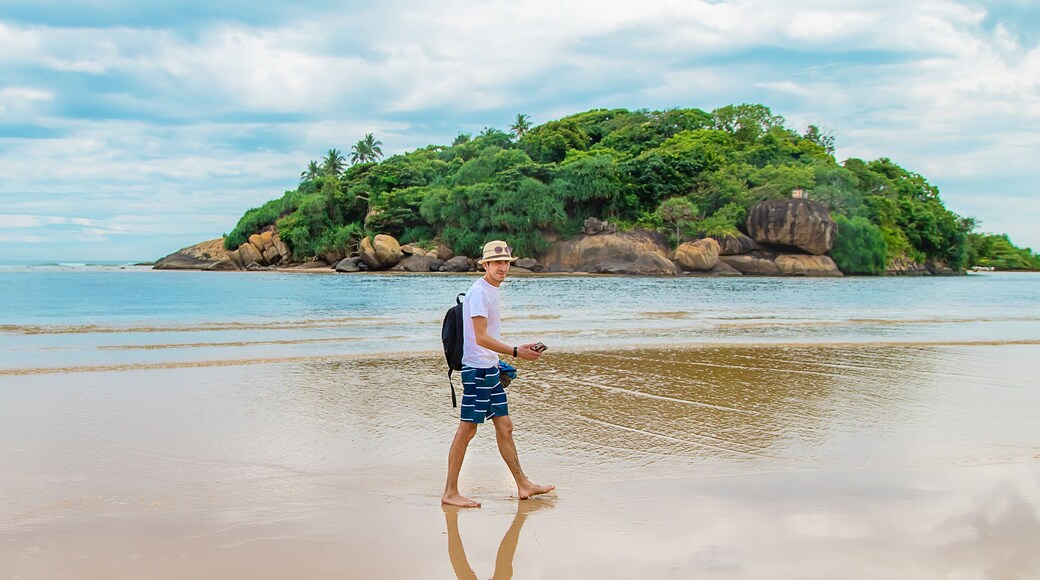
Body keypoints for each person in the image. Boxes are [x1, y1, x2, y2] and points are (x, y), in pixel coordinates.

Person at [441, 240, 555, 508]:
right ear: (486, 265)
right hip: (477, 372)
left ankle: (523, 485)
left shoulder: (492, 290)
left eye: (506, 262)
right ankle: (450, 492)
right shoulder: (479, 293)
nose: (503, 267)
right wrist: (516, 351)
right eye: (497, 263)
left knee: (505, 426)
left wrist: (500, 361)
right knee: (467, 430)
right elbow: (480, 338)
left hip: (489, 368)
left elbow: (484, 338)